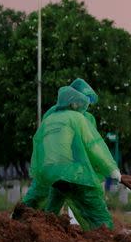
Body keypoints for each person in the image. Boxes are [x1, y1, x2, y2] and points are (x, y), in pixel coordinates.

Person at [20, 85, 120, 230]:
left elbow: (40, 145)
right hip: (71, 172)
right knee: (97, 213)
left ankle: (33, 229)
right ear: (74, 102)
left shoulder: (49, 118)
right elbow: (93, 145)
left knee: (50, 207)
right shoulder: (77, 118)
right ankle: (107, 238)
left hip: (49, 173)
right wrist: (111, 169)